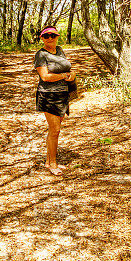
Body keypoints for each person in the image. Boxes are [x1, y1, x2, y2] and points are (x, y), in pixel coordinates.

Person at [33, 26, 75, 176]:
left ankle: (48, 161)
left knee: (54, 131)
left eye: (53, 35)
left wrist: (72, 74)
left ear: (57, 36)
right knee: (55, 130)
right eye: (46, 36)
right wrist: (64, 76)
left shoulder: (60, 50)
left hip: (62, 95)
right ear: (42, 38)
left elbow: (67, 68)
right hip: (48, 96)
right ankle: (53, 164)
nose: (50, 38)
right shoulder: (41, 54)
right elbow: (45, 77)